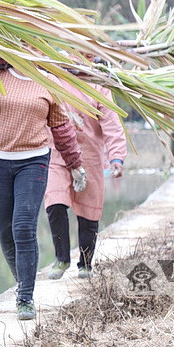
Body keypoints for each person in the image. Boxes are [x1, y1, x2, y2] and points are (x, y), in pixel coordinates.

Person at [0, 63, 84, 321]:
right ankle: (24, 281)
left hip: (34, 160)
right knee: (5, 230)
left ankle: (25, 297)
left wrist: (75, 164)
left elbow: (61, 128)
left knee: (23, 226)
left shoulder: (47, 81)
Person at [44, 74, 126, 280]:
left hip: (89, 155)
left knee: (89, 210)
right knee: (55, 201)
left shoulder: (98, 83)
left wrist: (117, 156)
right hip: (57, 154)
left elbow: (112, 124)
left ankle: (86, 263)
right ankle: (61, 258)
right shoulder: (50, 76)